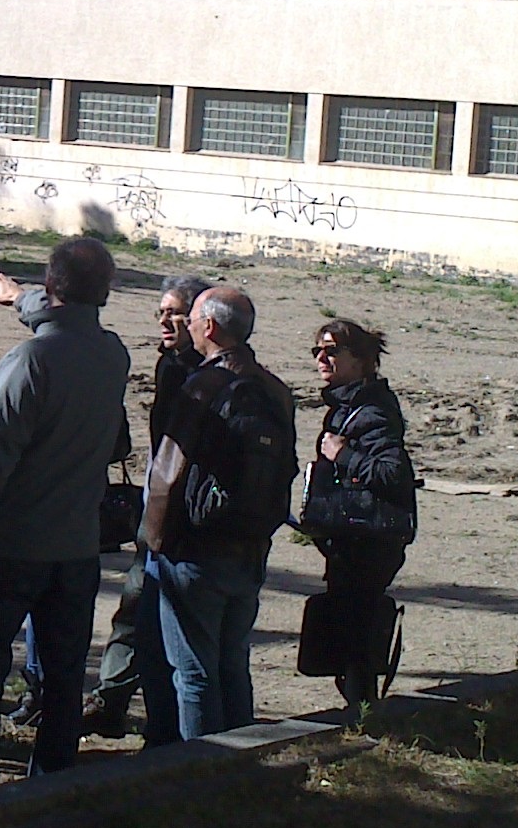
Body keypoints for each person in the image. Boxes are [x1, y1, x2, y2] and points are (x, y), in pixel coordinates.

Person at [0, 236, 131, 792]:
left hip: (8, 545)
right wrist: (22, 299)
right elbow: (64, 319)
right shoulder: (113, 352)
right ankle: (53, 781)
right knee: (64, 674)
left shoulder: (30, 360)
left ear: (52, 287)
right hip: (75, 546)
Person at [145, 286, 296, 738]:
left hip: (195, 549)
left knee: (193, 673)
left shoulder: (203, 386)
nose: (187, 325)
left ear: (208, 327)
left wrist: (154, 540)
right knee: (233, 664)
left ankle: (201, 772)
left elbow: (167, 472)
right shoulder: (274, 389)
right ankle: (244, 761)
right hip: (250, 545)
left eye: (191, 318)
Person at [83, 272, 212, 742]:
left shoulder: (209, 374)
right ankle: (112, 700)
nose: (164, 321)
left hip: (184, 516)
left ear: (200, 317)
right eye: (160, 312)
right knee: (136, 605)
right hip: (156, 506)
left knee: (160, 619)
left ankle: (166, 729)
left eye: (174, 313)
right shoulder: (170, 363)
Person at [302, 318, 418, 709]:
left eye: (332, 350)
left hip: (369, 541)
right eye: (318, 350)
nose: (322, 357)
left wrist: (343, 455)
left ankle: (362, 711)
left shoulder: (373, 411)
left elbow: (392, 474)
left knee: (356, 628)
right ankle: (360, 708)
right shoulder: (351, 404)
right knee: (349, 626)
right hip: (353, 538)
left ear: (361, 360)